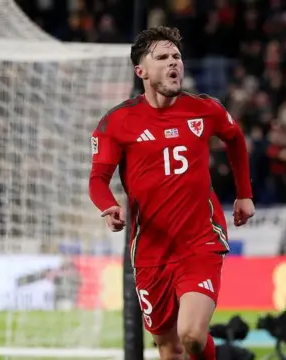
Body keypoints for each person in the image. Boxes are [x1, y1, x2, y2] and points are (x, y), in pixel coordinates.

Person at [88, 26, 255, 360]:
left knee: (192, 336)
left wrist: (244, 193)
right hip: (150, 252)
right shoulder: (117, 122)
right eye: (162, 57)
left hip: (199, 243)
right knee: (169, 348)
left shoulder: (204, 109)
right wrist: (108, 206)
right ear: (142, 71)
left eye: (176, 56)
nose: (173, 63)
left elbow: (235, 139)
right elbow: (97, 179)